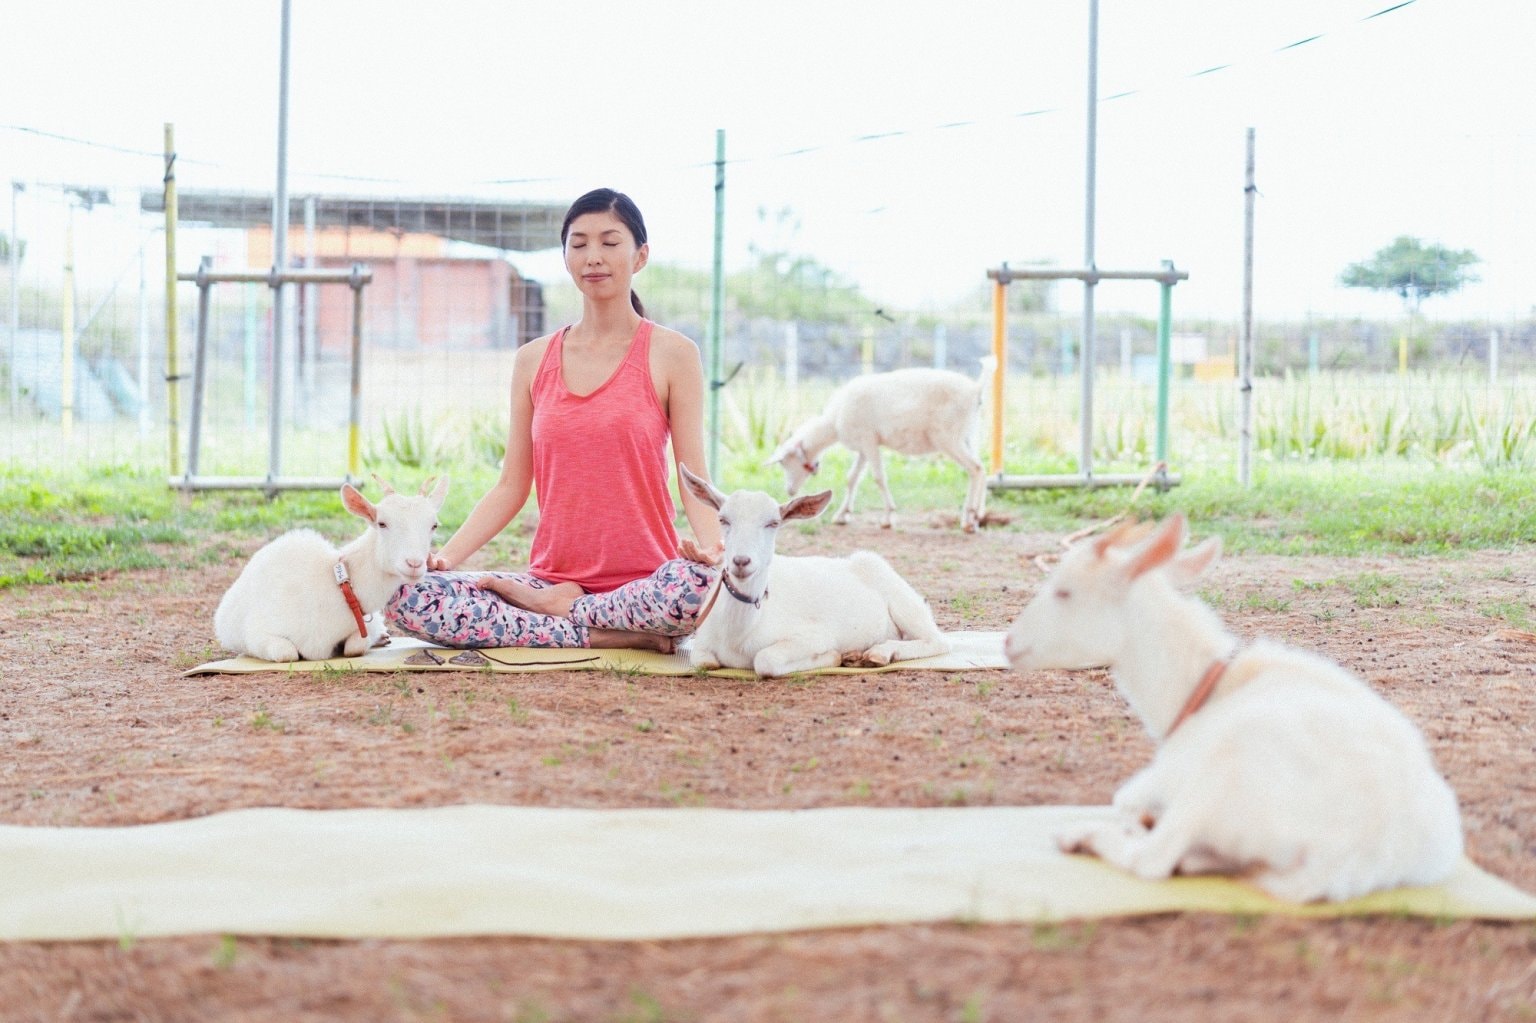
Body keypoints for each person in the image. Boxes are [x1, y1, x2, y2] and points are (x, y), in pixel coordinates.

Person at [384, 188, 723, 652]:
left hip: (648, 587)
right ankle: (609, 634)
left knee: (696, 589)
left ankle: (574, 618)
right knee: (407, 597)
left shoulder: (674, 354)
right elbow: (511, 487)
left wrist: (711, 554)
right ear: (565, 258)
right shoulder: (532, 360)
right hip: (548, 583)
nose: (593, 257)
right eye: (579, 244)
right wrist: (445, 558)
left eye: (609, 242)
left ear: (640, 255)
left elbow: (693, 478)